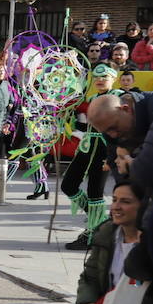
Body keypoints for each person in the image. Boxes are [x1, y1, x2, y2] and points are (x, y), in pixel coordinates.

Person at [58, 181, 143, 304]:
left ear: (144, 205)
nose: (116, 207)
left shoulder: (150, 241)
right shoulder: (106, 233)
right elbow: (89, 276)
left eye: (125, 202)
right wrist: (88, 303)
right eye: (114, 200)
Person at [63, 63, 121, 250]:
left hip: (105, 149)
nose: (100, 80)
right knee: (68, 184)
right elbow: (87, 127)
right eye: (96, 76)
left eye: (104, 76)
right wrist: (66, 119)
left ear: (113, 77)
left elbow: (121, 129)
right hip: (87, 146)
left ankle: (93, 234)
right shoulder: (93, 98)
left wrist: (112, 156)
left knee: (95, 191)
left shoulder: (119, 97)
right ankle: (100, 221)